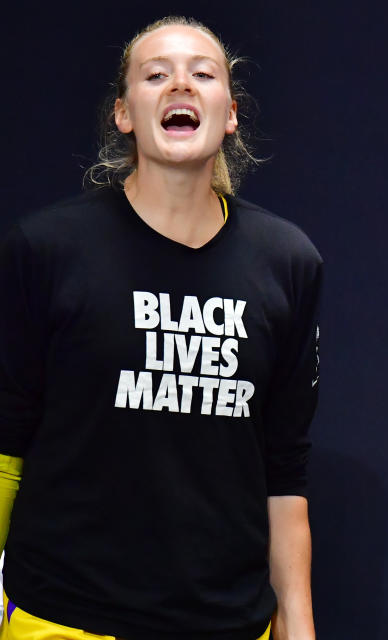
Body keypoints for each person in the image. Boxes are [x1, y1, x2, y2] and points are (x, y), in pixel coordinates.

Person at [0, 16, 321, 640]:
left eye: (203, 73)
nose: (181, 84)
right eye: (156, 75)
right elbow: (5, 443)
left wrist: (299, 627)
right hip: (66, 620)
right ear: (123, 113)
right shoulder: (45, 249)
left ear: (230, 114)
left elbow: (284, 472)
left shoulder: (288, 262)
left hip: (228, 623)